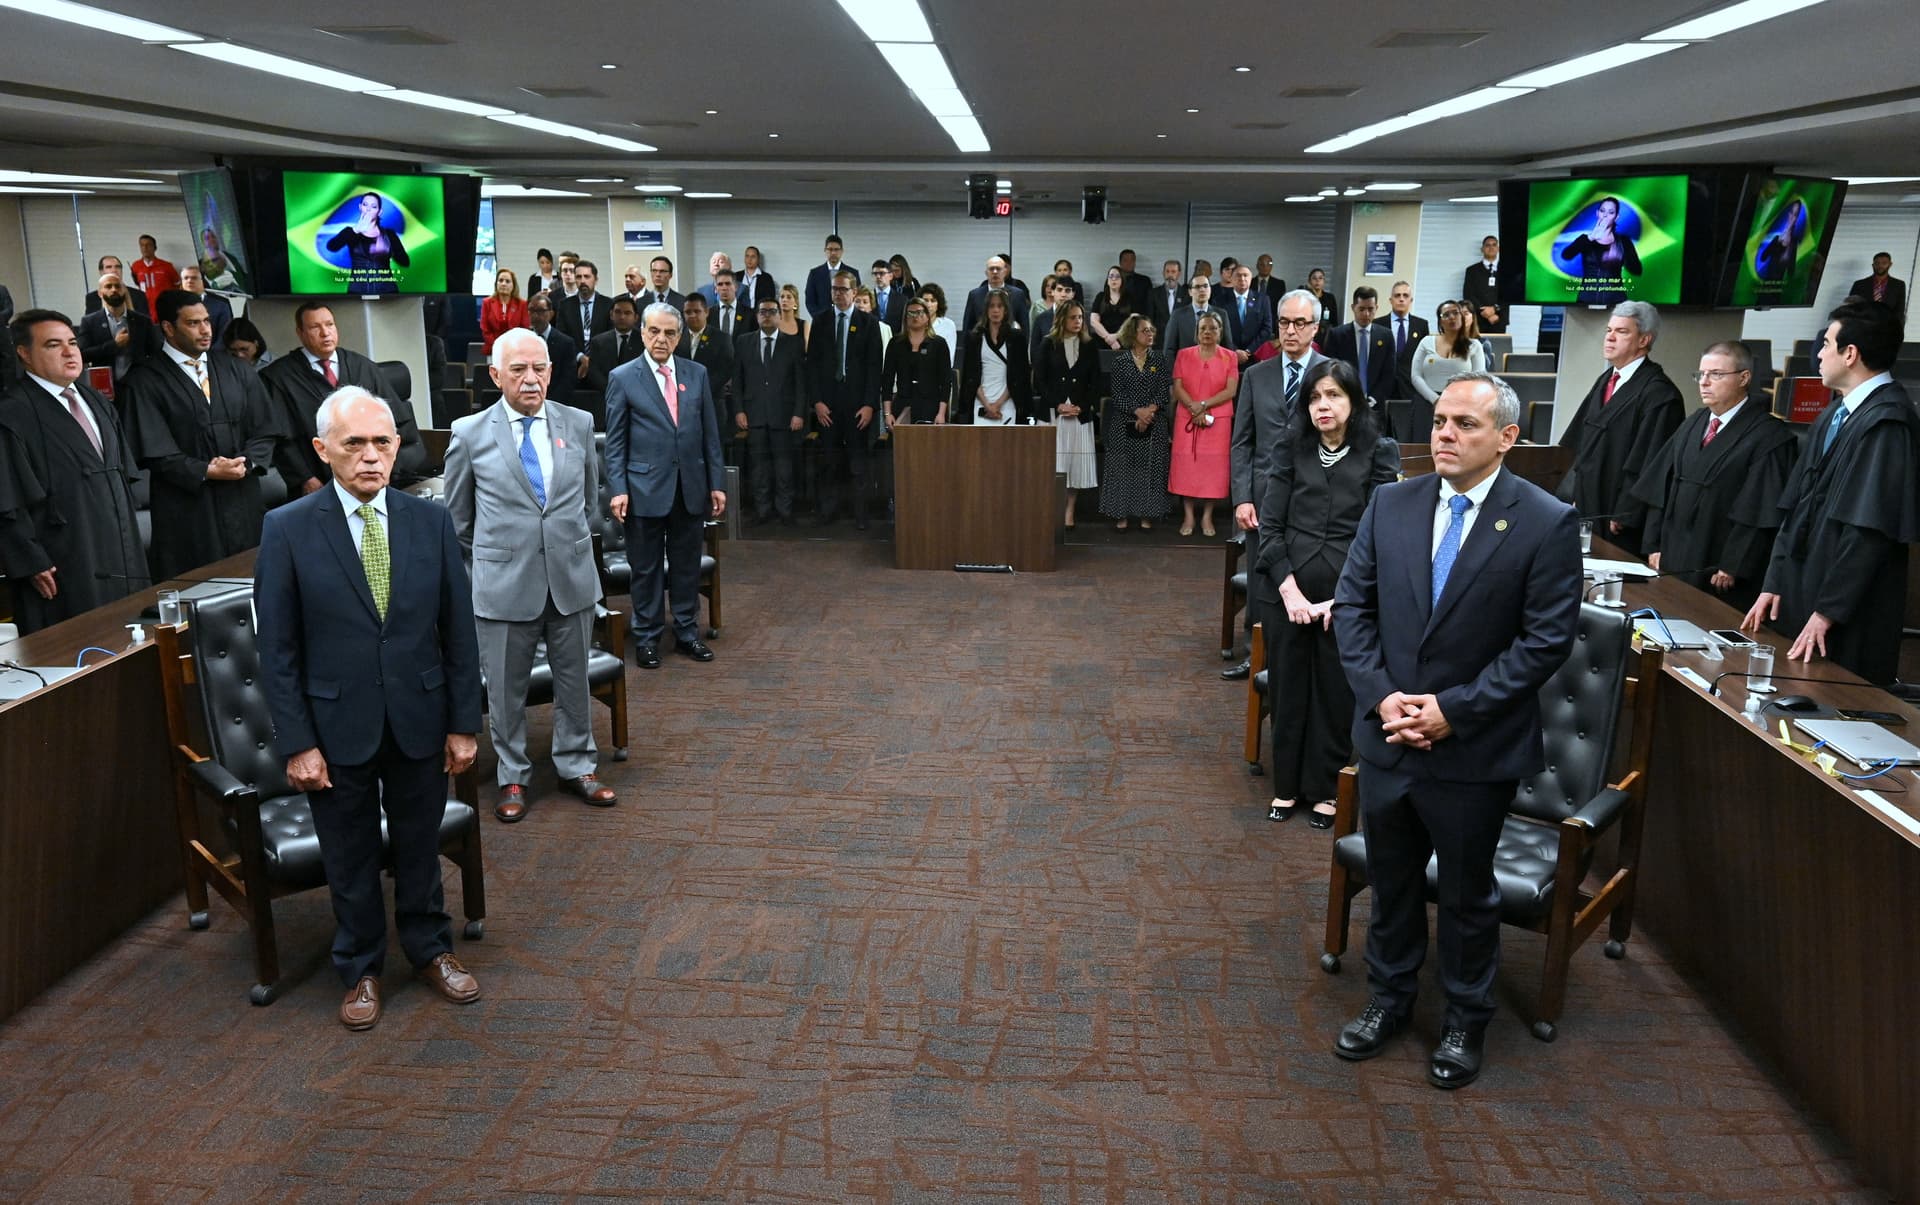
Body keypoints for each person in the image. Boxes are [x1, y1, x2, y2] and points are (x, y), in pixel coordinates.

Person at [1330, 372, 1581, 1091]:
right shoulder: (1392, 503)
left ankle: (1466, 1017)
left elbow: (1543, 643)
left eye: (1464, 424)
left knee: (1470, 895)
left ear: (1506, 437)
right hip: (1389, 737)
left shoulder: (1543, 519)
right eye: (1439, 420)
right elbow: (1353, 610)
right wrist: (1383, 702)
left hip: (1473, 746)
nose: (1444, 434)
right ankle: (1388, 999)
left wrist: (1453, 709)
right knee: (1393, 879)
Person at [254, 386, 484, 1031]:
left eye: (383, 443)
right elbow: (278, 649)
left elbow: (457, 630)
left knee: (419, 845)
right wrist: (297, 742)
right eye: (354, 444)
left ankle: (430, 950)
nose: (371, 457)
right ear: (322, 449)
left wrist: (465, 722)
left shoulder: (428, 520)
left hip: (420, 716)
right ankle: (359, 968)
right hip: (334, 728)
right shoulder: (288, 529)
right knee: (349, 857)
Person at [445, 328, 614, 823]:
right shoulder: (469, 433)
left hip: (570, 577)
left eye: (539, 368)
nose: (531, 378)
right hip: (502, 585)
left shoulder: (578, 423)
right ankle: (513, 775)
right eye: (518, 369)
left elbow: (586, 502)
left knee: (574, 682)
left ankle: (577, 766)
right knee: (505, 689)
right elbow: (457, 525)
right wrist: (495, 564)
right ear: (496, 375)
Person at [1744, 300, 1920, 684]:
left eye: (1826, 343)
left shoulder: (1887, 423)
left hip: (1846, 613)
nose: (1819, 354)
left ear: (1851, 353)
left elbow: (1867, 532)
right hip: (1802, 592)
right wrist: (1774, 580)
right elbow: (1797, 507)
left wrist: (1827, 611)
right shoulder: (1834, 415)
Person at [1255, 360, 1399, 826]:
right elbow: (1271, 527)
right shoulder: (1289, 448)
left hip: (1349, 595)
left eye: (1334, 395)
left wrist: (1344, 599)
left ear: (1353, 402)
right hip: (1288, 589)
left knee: (1336, 693)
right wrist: (1291, 593)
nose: (1324, 405)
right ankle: (1288, 786)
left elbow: (1380, 535)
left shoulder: (1379, 450)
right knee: (1289, 687)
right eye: (1316, 397)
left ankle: (1327, 789)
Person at [0, 309, 149, 632]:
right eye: (54, 345)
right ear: (24, 353)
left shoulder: (96, 401)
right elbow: (6, 499)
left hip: (119, 543)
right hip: (63, 559)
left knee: (133, 638)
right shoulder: (12, 413)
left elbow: (121, 476)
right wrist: (30, 560)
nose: (70, 352)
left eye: (72, 342)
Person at [1633, 341, 1798, 614]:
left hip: (1718, 566)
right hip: (1673, 556)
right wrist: (1654, 543)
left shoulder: (1769, 437)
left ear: (1744, 378)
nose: (1704, 382)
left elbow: (1757, 510)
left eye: (1716, 374)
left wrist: (1734, 564)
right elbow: (1660, 486)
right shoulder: (1694, 423)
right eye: (1701, 374)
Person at [122, 289, 276, 578]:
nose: (205, 330)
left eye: (206, 321)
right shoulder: (144, 380)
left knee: (255, 581)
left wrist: (247, 463)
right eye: (193, 323)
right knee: (196, 588)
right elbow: (155, 450)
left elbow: (264, 429)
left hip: (243, 499)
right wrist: (206, 470)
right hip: (188, 509)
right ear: (168, 328)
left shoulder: (236, 369)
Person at [607, 302, 727, 667]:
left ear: (679, 336)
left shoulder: (698, 373)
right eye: (655, 331)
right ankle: (647, 637)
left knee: (687, 565)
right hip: (643, 490)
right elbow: (615, 442)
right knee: (645, 569)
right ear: (643, 333)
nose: (662, 339)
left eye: (670, 332)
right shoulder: (623, 377)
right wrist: (618, 488)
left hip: (690, 487)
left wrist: (716, 483)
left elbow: (710, 434)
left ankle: (688, 634)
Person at [1229, 290, 1329, 678]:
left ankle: (1300, 655)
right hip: (1262, 497)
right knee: (1260, 578)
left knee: (1306, 573)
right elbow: (1242, 442)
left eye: (1299, 323)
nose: (1290, 330)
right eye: (1284, 322)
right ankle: (1256, 655)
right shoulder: (1256, 374)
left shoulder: (1331, 372)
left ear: (1315, 327)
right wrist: (1241, 498)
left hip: (1311, 495)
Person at [1556, 301, 1685, 556]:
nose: (1610, 338)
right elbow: (1582, 441)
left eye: (1622, 332)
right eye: (1608, 330)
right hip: (1588, 500)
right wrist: (1574, 491)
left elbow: (1652, 462)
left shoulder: (1660, 394)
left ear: (1644, 340)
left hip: (1619, 513)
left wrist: (1628, 509)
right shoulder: (1607, 379)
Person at [261, 302, 428, 497]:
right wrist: (304, 479)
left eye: (330, 325)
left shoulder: (363, 367)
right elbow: (281, 439)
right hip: (317, 486)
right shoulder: (279, 377)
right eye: (315, 327)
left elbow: (397, 425)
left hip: (372, 481)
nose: (325, 333)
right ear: (300, 333)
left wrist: (386, 468)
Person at [807, 270, 883, 527]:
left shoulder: (868, 323)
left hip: (857, 405)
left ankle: (861, 514)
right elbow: (813, 366)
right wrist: (816, 401)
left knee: (858, 462)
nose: (838, 294)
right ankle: (829, 511)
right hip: (827, 405)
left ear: (854, 292)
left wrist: (870, 405)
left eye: (843, 289)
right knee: (829, 461)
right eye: (834, 289)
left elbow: (875, 368)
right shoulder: (820, 321)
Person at [733, 297, 808, 525]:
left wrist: (798, 413)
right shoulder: (744, 342)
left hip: (784, 416)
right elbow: (737, 380)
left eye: (771, 311)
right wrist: (739, 410)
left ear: (779, 315)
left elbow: (800, 383)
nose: (767, 315)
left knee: (784, 467)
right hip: (754, 414)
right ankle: (762, 510)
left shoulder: (793, 343)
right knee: (759, 468)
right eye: (762, 311)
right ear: (757, 316)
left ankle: (784, 511)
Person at [1099, 315, 1172, 531]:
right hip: (1124, 421)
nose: (1150, 334)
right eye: (1144, 331)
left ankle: (1146, 514)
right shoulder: (1120, 361)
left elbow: (1163, 393)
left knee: (1149, 469)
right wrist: (1137, 412)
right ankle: (1121, 513)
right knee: (1123, 469)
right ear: (1133, 334)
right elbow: (1117, 394)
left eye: (1151, 330)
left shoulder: (1159, 359)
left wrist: (1148, 413)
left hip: (1154, 421)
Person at [1169, 311, 1238, 538]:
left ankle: (1207, 515)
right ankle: (1188, 515)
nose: (1207, 332)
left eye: (1212, 328)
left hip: (1217, 420)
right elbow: (1178, 387)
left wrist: (1203, 405)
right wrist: (1193, 408)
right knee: (1187, 466)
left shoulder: (1230, 356)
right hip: (1187, 416)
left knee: (1213, 470)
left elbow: (1231, 390)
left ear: (1220, 332)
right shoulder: (1183, 354)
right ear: (1196, 332)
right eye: (1203, 329)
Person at [1035, 301, 1099, 528]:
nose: (1077, 322)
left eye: (1080, 317)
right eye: (1073, 317)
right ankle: (1052, 509)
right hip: (1054, 414)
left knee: (1075, 465)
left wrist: (1081, 406)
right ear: (1062, 319)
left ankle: (1069, 511)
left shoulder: (1089, 345)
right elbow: (1039, 381)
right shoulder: (1048, 343)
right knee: (1054, 464)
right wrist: (1058, 404)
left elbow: (1095, 382)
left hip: (1079, 415)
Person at [956, 287, 1030, 428]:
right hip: (981, 402)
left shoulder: (1017, 338)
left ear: (1006, 310)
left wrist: (998, 404)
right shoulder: (974, 338)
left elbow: (1020, 376)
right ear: (986, 310)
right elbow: (970, 376)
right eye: (991, 306)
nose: (995, 310)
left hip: (1008, 402)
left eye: (999, 306)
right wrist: (987, 405)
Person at [78, 271, 157, 393]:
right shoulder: (89, 322)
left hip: (139, 386)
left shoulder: (142, 321)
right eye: (108, 286)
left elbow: (155, 352)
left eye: (118, 286)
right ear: (100, 293)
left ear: (124, 291)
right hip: (105, 387)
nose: (114, 290)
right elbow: (82, 355)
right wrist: (114, 345)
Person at [880, 296, 951, 428]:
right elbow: (887, 380)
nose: (915, 316)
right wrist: (887, 413)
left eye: (919, 312)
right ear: (905, 317)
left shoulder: (938, 344)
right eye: (910, 313)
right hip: (902, 404)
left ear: (927, 317)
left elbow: (946, 382)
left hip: (931, 407)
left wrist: (941, 413)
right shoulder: (896, 343)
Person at [1559, 196, 1642, 304]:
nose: (1605, 215)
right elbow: (1566, 255)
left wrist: (1621, 255)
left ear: (1616, 217)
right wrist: (1591, 237)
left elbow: (1637, 270)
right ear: (1598, 213)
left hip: (1615, 303)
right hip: (1585, 303)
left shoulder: (1623, 241)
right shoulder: (1585, 239)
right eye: (1603, 211)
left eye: (1611, 212)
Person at [325, 192, 411, 295]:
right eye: (365, 205)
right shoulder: (350, 231)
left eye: (373, 206)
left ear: (379, 212)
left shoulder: (389, 234)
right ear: (360, 207)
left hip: (387, 293)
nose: (368, 209)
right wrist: (356, 230)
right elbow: (331, 247)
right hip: (357, 293)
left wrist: (389, 251)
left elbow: (405, 262)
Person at [1409, 302, 1488, 409]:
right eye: (1446, 315)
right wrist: (1435, 399)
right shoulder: (1426, 341)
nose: (1452, 317)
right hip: (1427, 402)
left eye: (1456, 313)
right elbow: (1416, 376)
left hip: (1461, 404)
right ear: (1440, 322)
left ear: (1462, 317)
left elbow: (1478, 380)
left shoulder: (1474, 345)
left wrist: (1456, 400)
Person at [1321, 286, 1394, 403]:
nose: (1366, 314)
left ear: (1377, 308)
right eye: (1361, 309)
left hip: (1375, 404)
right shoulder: (1337, 335)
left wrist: (1374, 398)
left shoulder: (1386, 336)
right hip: (1343, 401)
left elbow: (1389, 374)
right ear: (1353, 308)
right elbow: (1330, 371)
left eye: (1371, 309)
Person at [677, 293, 735, 422]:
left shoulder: (721, 338)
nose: (692, 315)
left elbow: (725, 371)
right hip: (682, 403)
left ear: (706, 312)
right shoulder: (676, 338)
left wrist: (699, 389)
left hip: (712, 402)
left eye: (697, 311)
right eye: (688, 312)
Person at [525, 293, 578, 407]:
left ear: (551, 314)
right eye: (531, 310)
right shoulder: (523, 340)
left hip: (556, 403)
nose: (535, 315)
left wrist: (549, 404)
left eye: (540, 311)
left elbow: (568, 380)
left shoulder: (565, 343)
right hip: (528, 401)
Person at [1162, 274, 1234, 356]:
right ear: (1190, 292)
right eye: (1197, 287)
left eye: (1205, 286)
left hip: (1214, 367)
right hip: (1186, 366)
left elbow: (1228, 349)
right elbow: (1169, 350)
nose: (1202, 290)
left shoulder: (1222, 314)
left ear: (1210, 289)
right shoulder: (1178, 315)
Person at [584, 295, 644, 392]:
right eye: (618, 312)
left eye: (627, 313)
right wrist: (612, 389)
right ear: (611, 315)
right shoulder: (598, 342)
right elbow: (594, 372)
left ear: (636, 317)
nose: (622, 317)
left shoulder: (644, 341)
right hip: (607, 394)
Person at [961, 256, 1029, 333]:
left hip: (1011, 342)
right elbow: (967, 326)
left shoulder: (1018, 295)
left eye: (998, 269)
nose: (995, 272)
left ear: (1005, 272)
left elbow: (1024, 326)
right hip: (981, 341)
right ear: (986, 273)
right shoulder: (975, 295)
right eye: (991, 269)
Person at [1223, 265, 1274, 366]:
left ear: (1251, 279)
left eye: (1245, 275)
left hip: (1255, 356)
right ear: (1231, 279)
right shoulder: (1220, 300)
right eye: (1238, 275)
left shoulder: (1263, 299)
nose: (1242, 278)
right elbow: (1219, 330)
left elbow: (1267, 329)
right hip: (1228, 356)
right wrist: (1234, 351)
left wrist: (1248, 350)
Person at [554, 260, 613, 346]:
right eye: (578, 277)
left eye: (586, 276)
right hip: (574, 356)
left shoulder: (608, 304)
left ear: (596, 280)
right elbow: (562, 336)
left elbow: (611, 335)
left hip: (602, 355)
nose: (582, 281)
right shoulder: (565, 305)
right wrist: (579, 355)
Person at [176, 265, 233, 343]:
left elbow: (224, 337)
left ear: (204, 281)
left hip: (212, 352)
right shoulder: (173, 303)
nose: (189, 281)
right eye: (186, 278)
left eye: (194, 278)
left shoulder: (221, 304)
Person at [1461, 235, 1506, 334]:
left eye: (1494, 245)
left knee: (1498, 349)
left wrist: (1495, 309)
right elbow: (1468, 295)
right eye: (1487, 245)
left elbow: (1510, 294)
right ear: (1482, 249)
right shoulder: (1472, 271)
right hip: (1477, 319)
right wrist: (1484, 312)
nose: (1491, 247)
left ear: (1498, 248)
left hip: (1498, 318)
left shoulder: (1507, 270)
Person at [479, 267, 528, 355]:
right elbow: (485, 329)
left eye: (507, 281)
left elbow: (524, 329)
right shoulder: (487, 303)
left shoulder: (522, 304)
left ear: (513, 285)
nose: (503, 284)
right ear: (496, 284)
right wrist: (497, 346)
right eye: (500, 280)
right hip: (492, 349)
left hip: (515, 350)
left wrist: (511, 347)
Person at [128, 235, 179, 319]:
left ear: (155, 247)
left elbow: (177, 285)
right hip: (146, 308)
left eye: (148, 245)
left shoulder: (166, 266)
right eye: (142, 245)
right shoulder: (135, 266)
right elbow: (138, 284)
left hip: (165, 307)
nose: (145, 248)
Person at [805, 235, 856, 317]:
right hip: (822, 321)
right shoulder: (814, 273)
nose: (833, 253)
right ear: (825, 251)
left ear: (842, 251)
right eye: (830, 249)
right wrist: (819, 319)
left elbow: (856, 298)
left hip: (847, 319)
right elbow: (810, 301)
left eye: (836, 250)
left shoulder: (852, 273)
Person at [1848, 251, 1909, 318]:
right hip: (1863, 326)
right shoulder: (1859, 285)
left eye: (1884, 263)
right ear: (1873, 265)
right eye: (1877, 263)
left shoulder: (1899, 285)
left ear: (1890, 264)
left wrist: (1897, 328)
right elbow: (1851, 309)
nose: (1880, 266)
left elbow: (1899, 312)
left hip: (1887, 326)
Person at [1089, 266, 1134, 350]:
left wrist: (1116, 336)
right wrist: (1109, 338)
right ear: (1107, 280)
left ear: (1122, 280)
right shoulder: (1100, 296)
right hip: (1102, 341)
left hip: (1125, 341)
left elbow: (1134, 321)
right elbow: (1093, 321)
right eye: (1111, 276)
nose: (1114, 279)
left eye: (1117, 276)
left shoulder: (1130, 298)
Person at [917, 283, 958, 364]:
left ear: (939, 304)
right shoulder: (912, 323)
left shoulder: (948, 325)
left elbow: (949, 358)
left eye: (933, 301)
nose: (928, 305)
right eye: (925, 300)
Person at [853, 286, 892, 355]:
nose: (861, 305)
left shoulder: (884, 328)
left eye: (865, 302)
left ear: (871, 305)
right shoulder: (847, 325)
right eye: (857, 301)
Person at [869, 259, 905, 332]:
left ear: (891, 276)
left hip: (894, 339)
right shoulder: (867, 298)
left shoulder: (902, 299)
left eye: (882, 273)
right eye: (875, 274)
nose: (878, 277)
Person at [737, 244, 776, 310]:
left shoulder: (766, 278)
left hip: (758, 313)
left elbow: (770, 299)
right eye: (747, 256)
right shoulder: (736, 276)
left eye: (753, 256)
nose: (749, 259)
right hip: (739, 312)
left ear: (758, 259)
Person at [1119, 248, 1154, 315]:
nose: (1129, 263)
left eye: (1132, 260)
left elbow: (1150, 305)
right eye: (1126, 260)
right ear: (1120, 263)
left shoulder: (1145, 281)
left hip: (1139, 320)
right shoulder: (1113, 280)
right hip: (1118, 321)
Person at [776, 282, 809, 348]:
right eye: (782, 297)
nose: (784, 300)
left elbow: (808, 350)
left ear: (795, 303)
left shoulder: (804, 325)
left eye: (789, 297)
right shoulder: (773, 323)